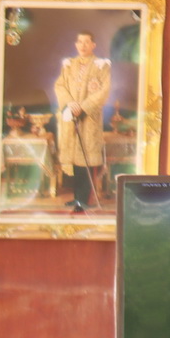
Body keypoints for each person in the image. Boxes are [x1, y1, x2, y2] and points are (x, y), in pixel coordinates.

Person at [54, 31, 111, 212]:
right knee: (76, 160)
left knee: (87, 159)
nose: (83, 45)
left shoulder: (101, 65)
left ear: (93, 45)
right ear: (76, 44)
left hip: (89, 118)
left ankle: (86, 199)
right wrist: (70, 104)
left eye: (87, 42)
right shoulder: (69, 65)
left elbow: (103, 91)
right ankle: (78, 198)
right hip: (71, 116)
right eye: (80, 42)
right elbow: (60, 86)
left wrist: (83, 107)